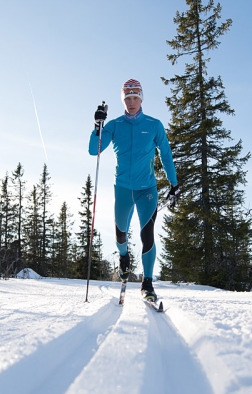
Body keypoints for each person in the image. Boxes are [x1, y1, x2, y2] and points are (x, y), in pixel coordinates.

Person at [88, 79, 179, 302]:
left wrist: (174, 184)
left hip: (147, 188)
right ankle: (124, 257)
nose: (131, 102)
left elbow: (166, 155)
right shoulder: (115, 125)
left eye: (135, 97)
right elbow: (94, 150)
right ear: (123, 100)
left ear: (141, 99)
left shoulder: (154, 125)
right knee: (120, 234)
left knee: (147, 234)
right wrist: (97, 127)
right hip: (123, 189)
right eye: (127, 98)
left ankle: (147, 284)